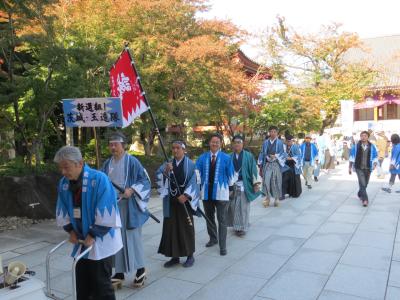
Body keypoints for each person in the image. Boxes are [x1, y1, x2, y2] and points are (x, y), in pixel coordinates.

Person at [54, 146, 122, 300]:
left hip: (100, 239)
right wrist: (70, 230)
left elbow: (107, 210)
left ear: (79, 163)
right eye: (61, 168)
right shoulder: (64, 183)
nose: (63, 172)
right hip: (80, 238)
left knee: (101, 285)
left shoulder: (99, 179)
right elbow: (62, 209)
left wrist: (93, 234)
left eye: (66, 167)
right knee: (82, 283)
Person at [102, 132, 150, 287]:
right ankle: (119, 272)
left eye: (116, 144)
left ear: (123, 146)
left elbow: (145, 180)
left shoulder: (132, 161)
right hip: (113, 205)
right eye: (111, 144)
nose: (113, 147)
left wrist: (132, 189)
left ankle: (141, 270)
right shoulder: (106, 164)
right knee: (115, 238)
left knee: (132, 238)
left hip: (129, 206)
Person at [156, 140, 200, 267]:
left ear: (184, 150)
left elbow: (195, 181)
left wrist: (186, 195)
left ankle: (190, 255)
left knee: (186, 228)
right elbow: (158, 175)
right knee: (171, 229)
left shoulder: (191, 165)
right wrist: (166, 170)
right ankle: (174, 256)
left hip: (185, 202)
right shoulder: (168, 163)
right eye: (173, 148)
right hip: (171, 201)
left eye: (178, 148)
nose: (175, 150)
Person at [196, 133, 235, 256]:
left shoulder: (226, 158)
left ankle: (222, 246)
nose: (215, 144)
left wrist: (231, 188)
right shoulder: (202, 158)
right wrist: (197, 189)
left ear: (220, 144)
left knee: (222, 219)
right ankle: (213, 238)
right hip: (206, 193)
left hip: (221, 192)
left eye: (217, 142)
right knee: (209, 217)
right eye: (213, 142)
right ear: (209, 143)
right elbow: (197, 174)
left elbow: (231, 175)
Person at [227, 135, 263, 236]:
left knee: (244, 206)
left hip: (245, 184)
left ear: (243, 144)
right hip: (232, 185)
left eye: (239, 142)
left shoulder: (248, 156)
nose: (237, 144)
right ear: (232, 144)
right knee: (233, 206)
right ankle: (237, 225)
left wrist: (256, 184)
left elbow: (254, 170)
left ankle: (242, 227)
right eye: (235, 142)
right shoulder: (229, 156)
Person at [258, 126, 287, 207]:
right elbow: (262, 152)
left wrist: (276, 156)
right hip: (267, 164)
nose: (273, 133)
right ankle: (267, 198)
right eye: (271, 131)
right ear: (269, 132)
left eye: (275, 131)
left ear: (277, 133)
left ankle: (277, 198)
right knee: (266, 181)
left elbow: (284, 154)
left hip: (276, 164)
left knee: (276, 181)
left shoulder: (280, 143)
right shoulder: (265, 142)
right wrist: (263, 158)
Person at [349, 131, 378, 207]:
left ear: (368, 137)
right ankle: (365, 200)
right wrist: (349, 167)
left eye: (365, 136)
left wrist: (375, 163)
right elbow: (351, 157)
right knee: (363, 183)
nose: (363, 137)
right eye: (362, 136)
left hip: (368, 168)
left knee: (366, 184)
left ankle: (360, 193)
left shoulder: (372, 146)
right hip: (359, 167)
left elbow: (375, 156)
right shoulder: (356, 146)